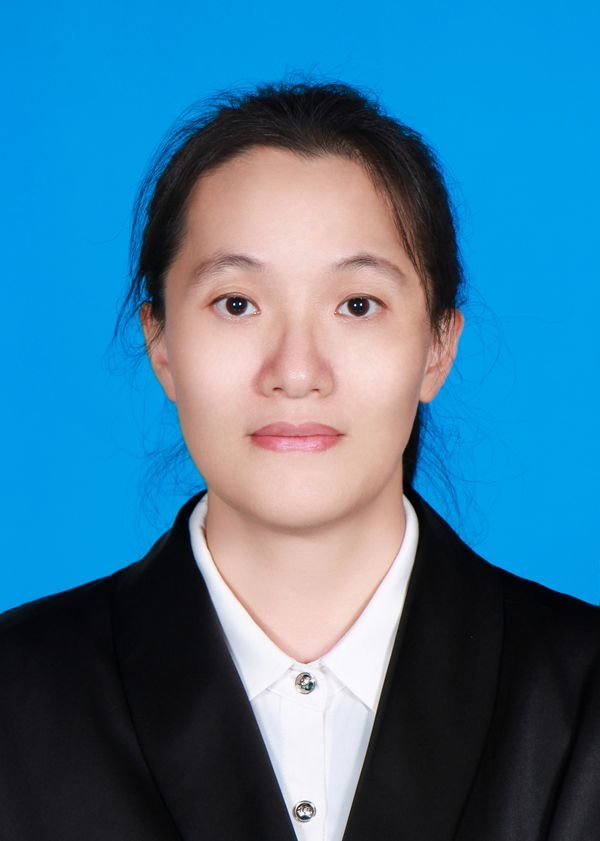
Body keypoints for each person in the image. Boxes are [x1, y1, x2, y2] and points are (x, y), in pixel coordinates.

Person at [0, 80, 598, 841]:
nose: (295, 370)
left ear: (438, 347)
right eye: (237, 303)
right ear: (161, 343)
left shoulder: (583, 696)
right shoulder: (16, 697)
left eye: (357, 305)